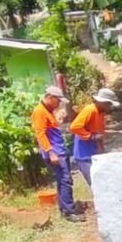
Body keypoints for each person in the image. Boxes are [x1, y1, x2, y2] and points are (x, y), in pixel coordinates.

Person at [32, 86, 84, 223]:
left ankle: (65, 208)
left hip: (60, 151)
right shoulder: (39, 112)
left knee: (64, 180)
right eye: (58, 101)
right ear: (50, 97)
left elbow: (51, 131)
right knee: (65, 180)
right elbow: (40, 134)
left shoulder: (48, 111)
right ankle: (69, 211)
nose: (59, 103)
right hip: (55, 154)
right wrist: (51, 152)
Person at [70, 87, 121, 187]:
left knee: (102, 182)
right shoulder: (90, 110)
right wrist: (90, 137)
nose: (110, 107)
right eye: (109, 104)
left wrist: (102, 151)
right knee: (95, 185)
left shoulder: (101, 114)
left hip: (94, 152)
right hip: (84, 155)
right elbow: (74, 126)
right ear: (103, 102)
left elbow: (99, 134)